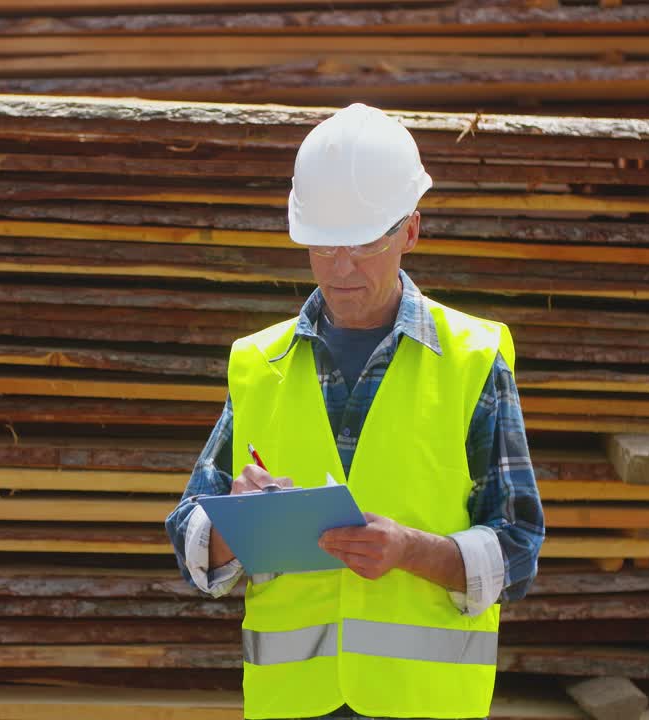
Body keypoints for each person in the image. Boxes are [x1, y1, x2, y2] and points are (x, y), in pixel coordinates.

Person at [165, 103, 546, 720]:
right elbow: (189, 535)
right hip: (292, 704)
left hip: (423, 705)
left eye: (366, 241)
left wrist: (412, 550)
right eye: (322, 244)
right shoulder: (260, 364)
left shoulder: (472, 358)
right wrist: (232, 526)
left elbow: (520, 549)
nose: (341, 267)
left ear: (411, 232)